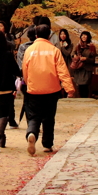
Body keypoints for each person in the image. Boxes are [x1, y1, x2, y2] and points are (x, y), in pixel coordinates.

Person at [21, 22, 76, 155]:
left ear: (36, 35)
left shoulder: (29, 50)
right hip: (52, 90)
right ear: (49, 35)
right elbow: (62, 70)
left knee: (34, 116)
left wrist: (28, 83)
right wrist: (70, 89)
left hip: (34, 89)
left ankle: (31, 134)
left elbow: (25, 70)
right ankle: (47, 144)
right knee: (49, 117)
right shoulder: (54, 50)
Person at [70, 31, 96, 98]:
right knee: (80, 85)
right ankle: (81, 99)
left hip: (87, 69)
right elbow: (72, 54)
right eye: (82, 35)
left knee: (85, 85)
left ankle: (86, 99)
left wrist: (86, 59)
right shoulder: (78, 46)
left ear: (88, 37)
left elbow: (93, 60)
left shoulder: (92, 47)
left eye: (85, 35)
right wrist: (75, 56)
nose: (83, 37)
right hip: (79, 68)